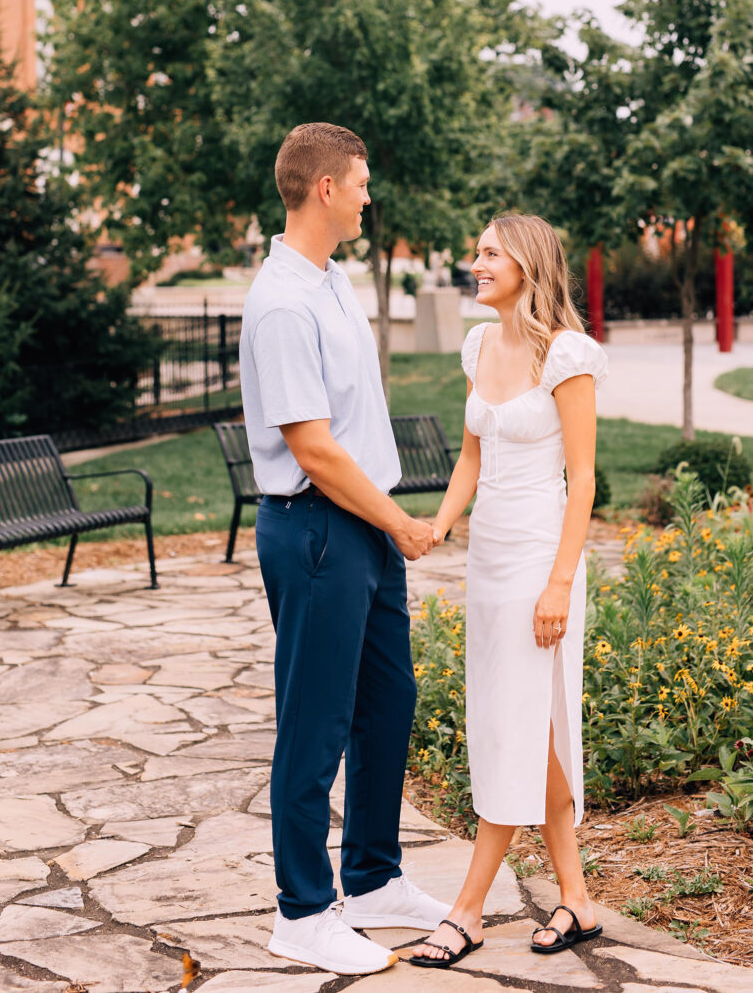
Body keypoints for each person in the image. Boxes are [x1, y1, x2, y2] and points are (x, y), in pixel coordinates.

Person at [240, 122, 450, 977]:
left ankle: (370, 880)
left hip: (361, 524)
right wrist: (399, 523)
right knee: (315, 723)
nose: (370, 194)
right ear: (325, 189)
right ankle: (301, 910)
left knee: (385, 705)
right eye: (361, 181)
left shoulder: (329, 280)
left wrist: (386, 521)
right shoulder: (282, 300)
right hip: (321, 527)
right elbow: (315, 449)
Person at [408, 213, 608, 968]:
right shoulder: (478, 344)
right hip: (489, 563)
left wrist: (559, 582)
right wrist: (436, 526)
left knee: (513, 728)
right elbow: (471, 458)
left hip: (541, 563)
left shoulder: (569, 353)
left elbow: (584, 479)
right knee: (527, 725)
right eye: (477, 251)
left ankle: (466, 910)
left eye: (490, 253)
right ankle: (578, 898)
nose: (476, 262)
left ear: (526, 262)